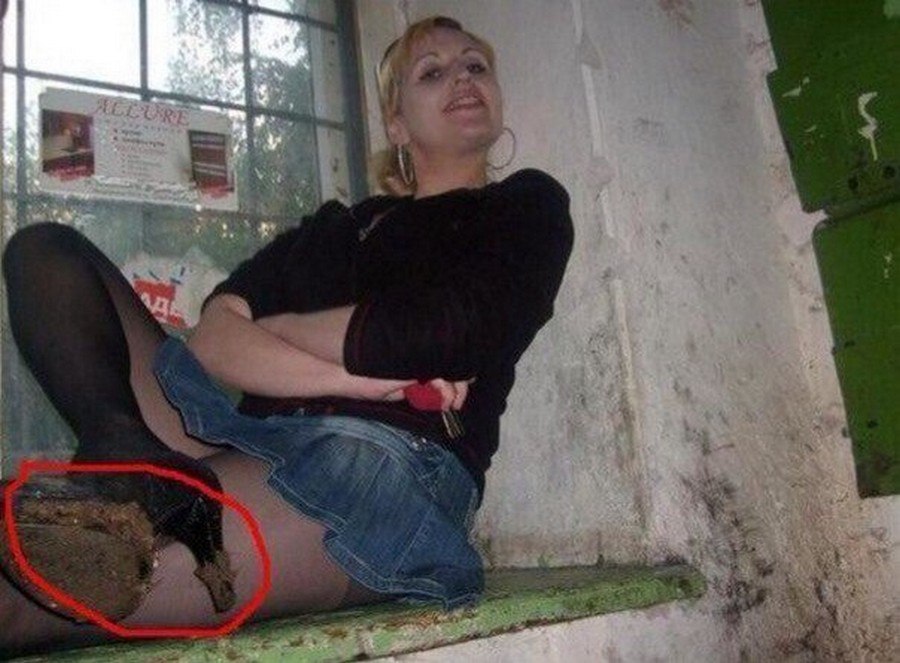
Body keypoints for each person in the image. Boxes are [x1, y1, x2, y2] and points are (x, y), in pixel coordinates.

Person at [0, 15, 573, 656]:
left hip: (383, 469)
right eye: (432, 72)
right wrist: (361, 380)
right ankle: (120, 452)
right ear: (396, 124)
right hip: (249, 436)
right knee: (45, 253)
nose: (462, 78)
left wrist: (272, 332)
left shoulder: (524, 206)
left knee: (29, 596)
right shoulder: (339, 228)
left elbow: (445, 333)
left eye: (475, 65)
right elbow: (214, 342)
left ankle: (134, 496)